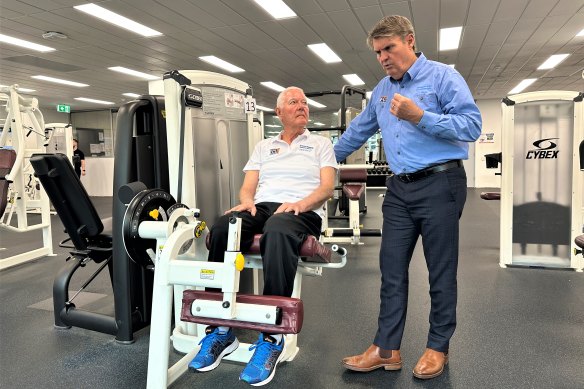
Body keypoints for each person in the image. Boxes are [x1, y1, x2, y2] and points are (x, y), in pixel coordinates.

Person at [334, 15, 482, 380]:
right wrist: (320, 161)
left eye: (390, 48)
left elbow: (472, 125)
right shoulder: (382, 89)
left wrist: (422, 117)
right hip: (399, 189)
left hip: (440, 184)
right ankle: (387, 349)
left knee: (440, 272)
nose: (383, 57)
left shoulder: (444, 77)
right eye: (378, 52)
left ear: (410, 41)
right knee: (392, 271)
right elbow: (357, 132)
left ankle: (437, 347)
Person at [188, 86, 337, 386]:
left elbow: (326, 189)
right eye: (294, 102)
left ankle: (271, 337)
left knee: (278, 230)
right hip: (264, 206)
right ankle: (219, 330)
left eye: (305, 103)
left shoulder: (321, 144)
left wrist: (300, 204)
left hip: (301, 210)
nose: (302, 107)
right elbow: (248, 186)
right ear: (279, 112)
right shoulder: (263, 147)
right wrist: (245, 201)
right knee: (222, 227)